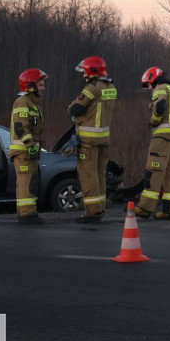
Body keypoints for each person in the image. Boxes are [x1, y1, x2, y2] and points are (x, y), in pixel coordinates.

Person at [68, 55, 116, 223]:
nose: (83, 76)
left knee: (89, 176)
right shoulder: (111, 87)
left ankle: (92, 212)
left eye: (85, 72)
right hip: (104, 139)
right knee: (100, 175)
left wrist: (71, 107)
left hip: (88, 140)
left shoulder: (91, 87)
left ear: (92, 71)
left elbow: (76, 108)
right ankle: (100, 208)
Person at [135, 66, 170, 220]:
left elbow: (160, 107)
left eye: (147, 85)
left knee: (153, 171)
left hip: (162, 136)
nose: (148, 88)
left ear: (152, 79)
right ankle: (169, 210)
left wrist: (153, 122)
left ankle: (144, 208)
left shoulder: (160, 88)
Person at [10, 68, 47, 224]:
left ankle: (25, 213)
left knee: (27, 182)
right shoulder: (23, 102)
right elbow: (20, 127)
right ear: (31, 86)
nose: (43, 88)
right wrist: (31, 145)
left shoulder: (32, 104)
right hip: (24, 151)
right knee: (27, 182)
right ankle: (27, 214)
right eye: (40, 84)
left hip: (28, 150)